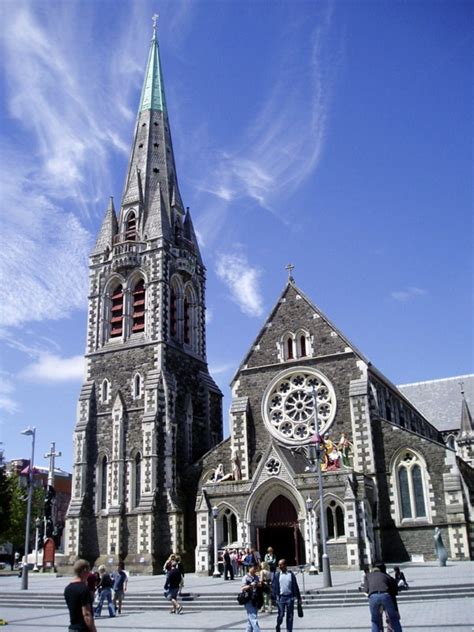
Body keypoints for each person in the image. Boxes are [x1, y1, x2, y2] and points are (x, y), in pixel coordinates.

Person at [363, 562, 402, 632]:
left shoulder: (367, 576)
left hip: (373, 596)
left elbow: (365, 590)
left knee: (375, 620)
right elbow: (394, 589)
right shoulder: (386, 576)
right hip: (385, 595)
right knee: (393, 618)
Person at [64, 558, 97, 632]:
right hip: (83, 628)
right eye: (88, 571)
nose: (89, 574)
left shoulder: (68, 588)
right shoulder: (84, 589)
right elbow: (86, 614)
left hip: (72, 628)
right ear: (84, 571)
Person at [271, 558, 301, 632]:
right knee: (281, 615)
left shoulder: (291, 574)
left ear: (285, 565)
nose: (279, 566)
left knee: (290, 615)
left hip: (290, 598)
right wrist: (273, 598)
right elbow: (274, 587)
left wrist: (299, 598)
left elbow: (295, 586)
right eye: (278, 565)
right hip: (281, 598)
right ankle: (278, 625)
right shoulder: (277, 575)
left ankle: (289, 630)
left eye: (280, 565)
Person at [241, 562, 262, 631]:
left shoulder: (256, 577)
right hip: (248, 600)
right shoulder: (246, 577)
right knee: (253, 618)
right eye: (254, 568)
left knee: (251, 620)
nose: (255, 570)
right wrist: (250, 585)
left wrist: (258, 584)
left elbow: (259, 585)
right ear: (249, 568)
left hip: (255, 599)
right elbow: (242, 588)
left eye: (256, 569)